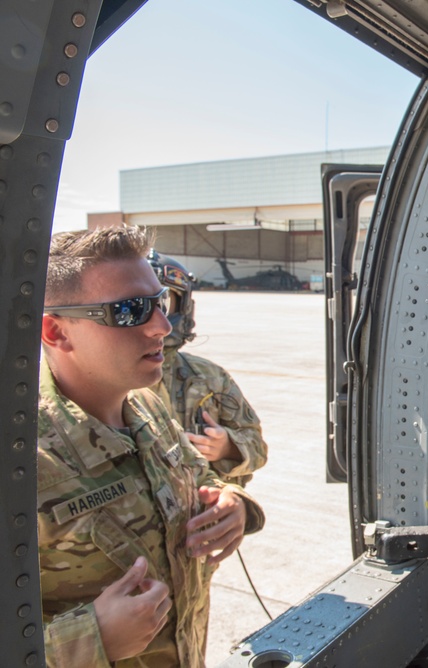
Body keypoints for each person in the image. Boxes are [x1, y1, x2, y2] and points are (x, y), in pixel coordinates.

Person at [37, 226, 266, 667]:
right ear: (57, 332)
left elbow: (202, 477)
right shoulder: (24, 462)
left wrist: (232, 503)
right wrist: (88, 640)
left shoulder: (147, 409)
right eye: (130, 311)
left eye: (159, 303)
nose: (161, 326)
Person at [148, 250, 268, 487]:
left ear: (184, 308)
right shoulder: (98, 384)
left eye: (164, 303)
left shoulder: (209, 378)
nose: (155, 320)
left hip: (207, 510)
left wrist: (228, 447)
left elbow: (257, 447)